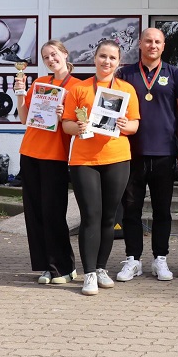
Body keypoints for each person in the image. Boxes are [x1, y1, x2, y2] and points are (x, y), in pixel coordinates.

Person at [115, 28, 178, 282]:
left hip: (164, 153)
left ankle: (160, 258)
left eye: (157, 41)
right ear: (140, 43)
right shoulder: (124, 74)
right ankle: (133, 259)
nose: (153, 45)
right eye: (148, 41)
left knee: (162, 210)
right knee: (131, 209)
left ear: (164, 45)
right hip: (131, 152)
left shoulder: (176, 74)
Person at [62, 40, 140, 296]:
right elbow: (66, 124)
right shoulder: (79, 88)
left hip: (117, 159)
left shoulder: (126, 89)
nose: (107, 61)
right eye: (103, 56)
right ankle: (89, 274)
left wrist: (124, 124)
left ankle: (101, 268)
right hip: (84, 161)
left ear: (119, 62)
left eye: (112, 58)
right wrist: (78, 127)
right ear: (94, 58)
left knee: (109, 217)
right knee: (90, 216)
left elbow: (134, 126)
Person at [15, 40, 81, 285]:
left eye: (54, 54)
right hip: (29, 152)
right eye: (46, 57)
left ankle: (62, 267)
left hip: (55, 156)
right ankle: (46, 267)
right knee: (34, 214)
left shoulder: (78, 86)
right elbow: (24, 118)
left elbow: (77, 124)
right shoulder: (39, 83)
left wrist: (65, 116)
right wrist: (20, 94)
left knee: (53, 213)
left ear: (65, 54)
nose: (51, 60)